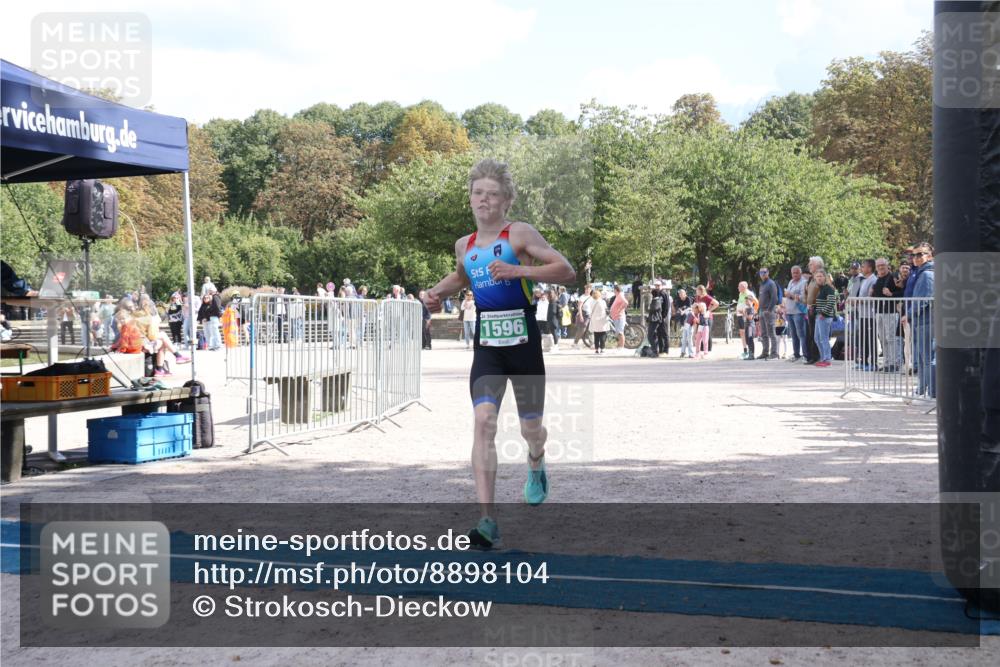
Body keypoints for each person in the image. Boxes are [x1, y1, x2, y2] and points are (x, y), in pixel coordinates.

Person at [425, 158, 576, 549]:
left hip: (524, 343)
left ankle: (536, 459)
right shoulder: (466, 244)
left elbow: (566, 270)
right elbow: (463, 275)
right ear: (470, 198)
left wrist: (519, 273)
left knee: (531, 428)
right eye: (478, 193)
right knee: (484, 422)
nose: (484, 200)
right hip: (488, 346)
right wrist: (437, 293)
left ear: (506, 200)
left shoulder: (519, 234)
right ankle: (487, 519)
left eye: (492, 194)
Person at [902, 243, 935, 397]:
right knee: (921, 358)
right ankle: (921, 390)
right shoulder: (921, 272)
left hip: (926, 321)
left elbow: (924, 300)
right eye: (914, 255)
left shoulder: (927, 274)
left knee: (926, 358)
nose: (916, 258)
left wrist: (908, 314)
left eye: (920, 254)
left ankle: (928, 392)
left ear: (929, 256)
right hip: (920, 321)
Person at [871, 257, 902, 372]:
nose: (880, 268)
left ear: (887, 265)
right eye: (878, 266)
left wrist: (891, 294)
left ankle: (895, 363)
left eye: (882, 265)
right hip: (879, 312)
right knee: (883, 339)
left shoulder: (893, 277)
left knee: (891, 338)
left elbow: (902, 293)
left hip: (891, 312)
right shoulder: (878, 279)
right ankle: (887, 362)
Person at [784, 266, 809, 362]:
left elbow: (803, 298)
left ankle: (805, 355)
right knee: (793, 335)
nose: (794, 274)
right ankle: (796, 354)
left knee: (801, 335)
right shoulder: (791, 282)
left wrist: (790, 295)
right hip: (789, 312)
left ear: (801, 273)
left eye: (796, 273)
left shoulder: (803, 283)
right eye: (793, 273)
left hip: (798, 312)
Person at [813, 269, 838, 367]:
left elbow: (831, 302)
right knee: (817, 338)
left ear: (825, 277)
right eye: (817, 276)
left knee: (823, 338)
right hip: (819, 316)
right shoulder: (820, 288)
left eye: (821, 276)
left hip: (825, 317)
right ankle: (823, 357)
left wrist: (823, 313)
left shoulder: (829, 288)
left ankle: (827, 359)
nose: (819, 278)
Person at [757, 268, 779, 359]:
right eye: (761, 273)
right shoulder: (762, 284)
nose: (762, 274)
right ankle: (765, 352)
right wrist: (758, 311)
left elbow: (774, 298)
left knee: (771, 333)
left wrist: (769, 310)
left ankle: (774, 353)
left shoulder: (771, 283)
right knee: (763, 334)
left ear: (768, 273)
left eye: (764, 272)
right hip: (762, 311)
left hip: (768, 311)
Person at [735, 281, 757, 360]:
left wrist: (745, 313)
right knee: (746, 337)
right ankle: (747, 352)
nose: (738, 288)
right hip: (744, 320)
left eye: (739, 286)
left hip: (749, 322)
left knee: (749, 337)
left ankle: (751, 354)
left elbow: (750, 317)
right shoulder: (741, 294)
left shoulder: (749, 295)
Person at [589, 288, 609, 354]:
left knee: (596, 335)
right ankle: (602, 348)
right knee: (602, 335)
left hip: (594, 320)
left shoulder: (591, 302)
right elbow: (606, 309)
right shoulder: (602, 302)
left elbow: (590, 311)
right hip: (602, 320)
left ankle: (596, 349)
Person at [609, 284, 629, 351]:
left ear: (616, 290)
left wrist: (620, 309)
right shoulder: (618, 295)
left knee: (620, 332)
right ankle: (619, 346)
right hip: (616, 316)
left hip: (619, 316)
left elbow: (626, 303)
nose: (613, 291)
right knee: (618, 332)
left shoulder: (620, 295)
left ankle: (622, 347)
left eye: (614, 290)